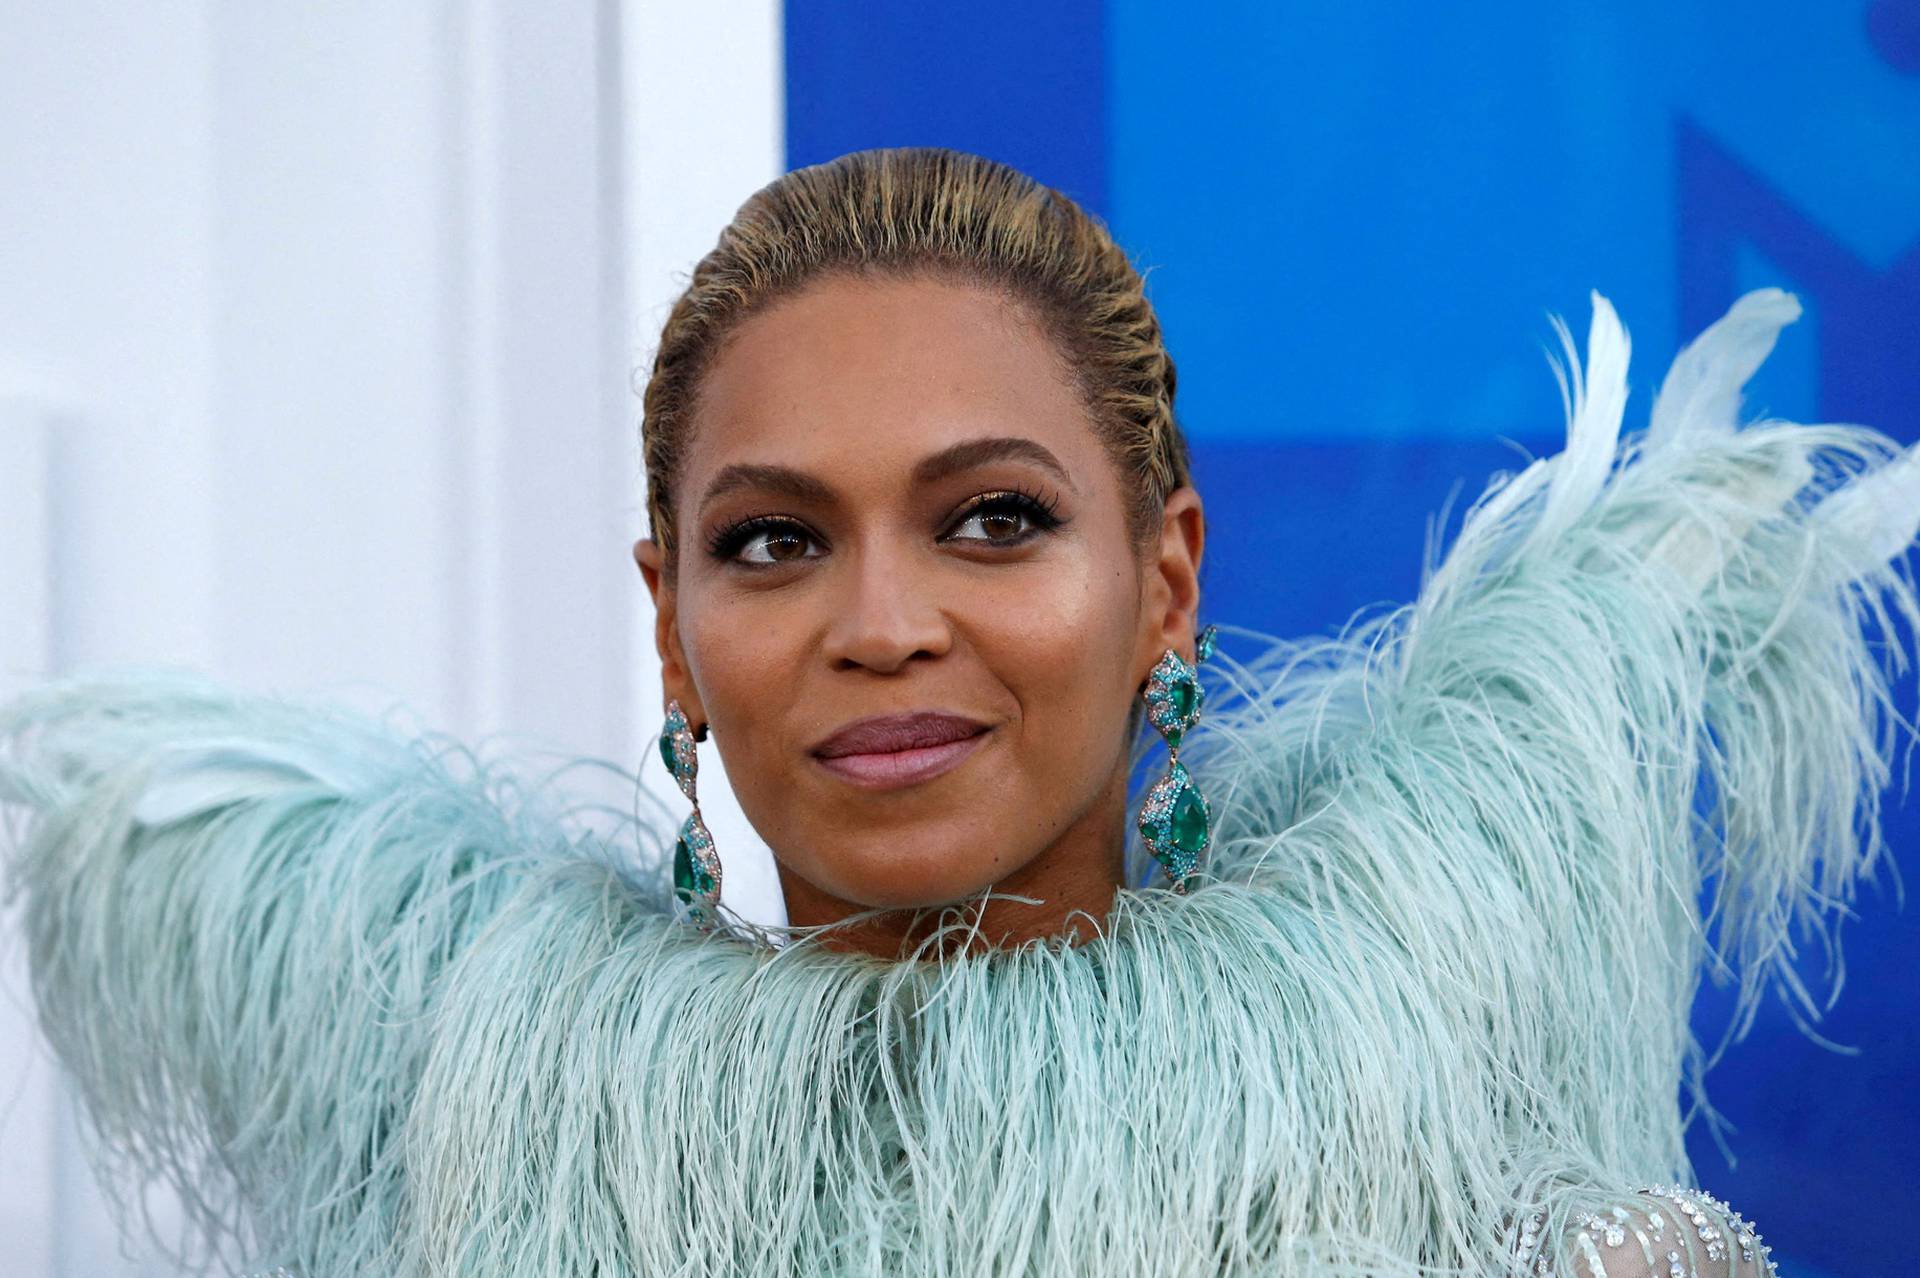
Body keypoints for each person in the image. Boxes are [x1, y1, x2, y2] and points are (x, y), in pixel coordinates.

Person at [2, 147, 1916, 1277]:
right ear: (672, 628)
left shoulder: (1533, 1249)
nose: (885, 623)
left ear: (1162, 580)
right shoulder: (464, 1205)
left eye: (992, 518)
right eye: (772, 543)